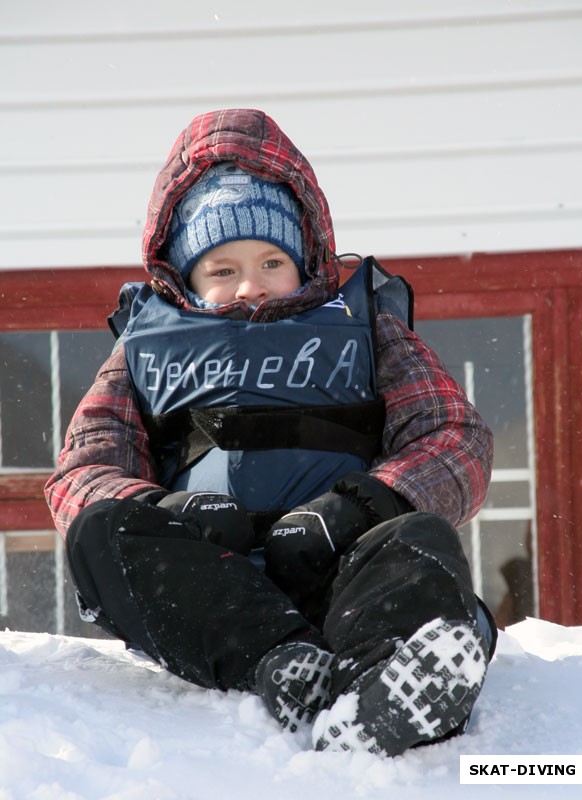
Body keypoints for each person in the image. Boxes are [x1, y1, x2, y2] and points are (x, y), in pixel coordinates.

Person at [45, 108, 497, 757]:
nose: (249, 284)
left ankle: (389, 678)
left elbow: (454, 437)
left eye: (270, 261)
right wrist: (165, 509)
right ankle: (285, 663)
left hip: (344, 570)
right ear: (184, 274)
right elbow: (80, 475)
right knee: (101, 532)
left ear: (306, 257)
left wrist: (361, 505)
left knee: (417, 538)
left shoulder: (368, 329)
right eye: (222, 269)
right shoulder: (144, 347)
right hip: (211, 591)